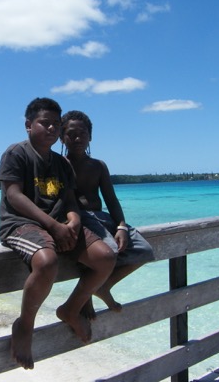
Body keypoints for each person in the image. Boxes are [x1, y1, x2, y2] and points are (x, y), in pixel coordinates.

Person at [0, 97, 116, 370]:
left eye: (55, 124)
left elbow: (70, 200)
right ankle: (25, 324)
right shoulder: (16, 153)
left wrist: (73, 220)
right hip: (20, 223)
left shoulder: (62, 164)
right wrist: (53, 225)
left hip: (60, 224)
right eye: (44, 123)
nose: (51, 128)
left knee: (105, 258)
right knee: (47, 262)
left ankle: (71, 308)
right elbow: (14, 195)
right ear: (29, 125)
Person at [61, 110, 154, 317]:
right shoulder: (59, 165)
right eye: (71, 134)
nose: (77, 139)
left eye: (82, 134)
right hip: (80, 219)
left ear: (90, 137)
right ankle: (83, 298)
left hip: (102, 218)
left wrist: (121, 226)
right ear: (61, 137)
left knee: (144, 250)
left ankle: (102, 286)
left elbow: (111, 199)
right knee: (107, 252)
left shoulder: (98, 166)